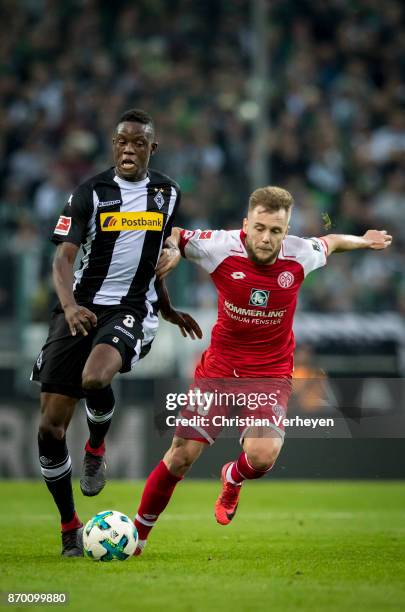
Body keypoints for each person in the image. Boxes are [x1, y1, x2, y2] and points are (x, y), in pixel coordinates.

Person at [134, 185, 392, 555]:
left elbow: (332, 241)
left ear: (286, 232)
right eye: (259, 228)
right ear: (246, 224)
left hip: (270, 373)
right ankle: (138, 538)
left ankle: (232, 477)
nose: (266, 238)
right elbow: (177, 234)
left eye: (275, 231)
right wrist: (173, 249)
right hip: (220, 368)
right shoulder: (220, 247)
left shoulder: (300, 254)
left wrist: (364, 241)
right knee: (181, 455)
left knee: (262, 455)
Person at [31, 108, 201, 557]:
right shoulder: (90, 193)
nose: (128, 150)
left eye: (138, 143)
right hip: (78, 307)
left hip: (129, 309)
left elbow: (152, 257)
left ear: (152, 148)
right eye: (121, 142)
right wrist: (69, 307)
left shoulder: (166, 193)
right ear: (114, 145)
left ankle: (95, 448)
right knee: (49, 429)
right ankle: (69, 526)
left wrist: (165, 306)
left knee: (96, 378)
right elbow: (62, 259)